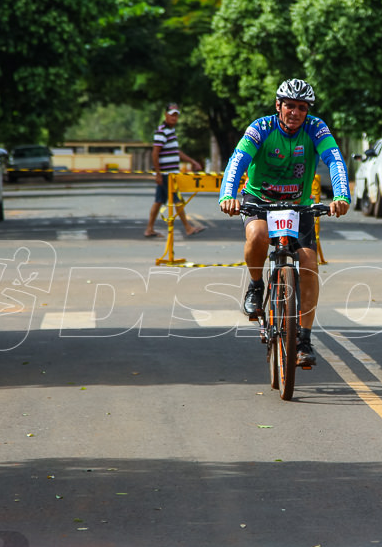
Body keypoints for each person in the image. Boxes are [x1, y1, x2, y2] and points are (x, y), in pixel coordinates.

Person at [219, 79, 350, 367]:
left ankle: (303, 338)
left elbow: (335, 160)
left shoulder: (316, 129)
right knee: (257, 235)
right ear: (278, 106)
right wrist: (228, 195)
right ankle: (256, 286)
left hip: (298, 205)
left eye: (302, 108)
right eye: (289, 105)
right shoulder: (261, 128)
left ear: (307, 111)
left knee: (309, 264)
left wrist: (341, 195)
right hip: (259, 201)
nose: (295, 112)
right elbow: (238, 160)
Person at [145, 102, 205, 237]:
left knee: (159, 201)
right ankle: (188, 227)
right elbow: (155, 153)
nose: (174, 118)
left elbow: (176, 152)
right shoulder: (162, 131)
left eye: (176, 115)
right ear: (166, 115)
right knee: (177, 199)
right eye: (172, 115)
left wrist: (192, 161)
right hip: (167, 174)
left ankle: (149, 229)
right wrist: (158, 174)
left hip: (170, 173)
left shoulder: (170, 131)